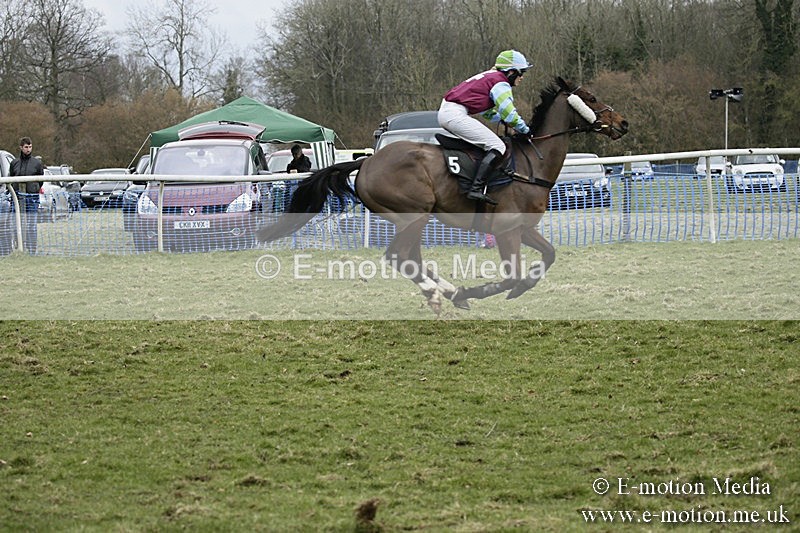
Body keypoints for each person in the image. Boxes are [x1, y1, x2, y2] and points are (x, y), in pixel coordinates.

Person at [438, 49, 533, 205]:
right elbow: (508, 112)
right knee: (498, 146)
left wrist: (503, 120)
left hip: (450, 112)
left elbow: (488, 113)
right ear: (510, 72)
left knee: (490, 144)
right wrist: (525, 130)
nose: (522, 77)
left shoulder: (490, 77)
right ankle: (475, 189)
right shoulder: (501, 82)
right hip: (454, 114)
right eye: (521, 72)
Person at [10, 137, 44, 254]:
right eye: (26, 147)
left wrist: (34, 189)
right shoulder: (14, 163)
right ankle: (18, 247)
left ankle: (32, 249)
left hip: (32, 198)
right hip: (17, 198)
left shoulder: (37, 163)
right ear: (21, 147)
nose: (28, 149)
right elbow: (11, 179)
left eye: (30, 147)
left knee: (31, 225)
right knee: (16, 224)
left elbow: (41, 180)